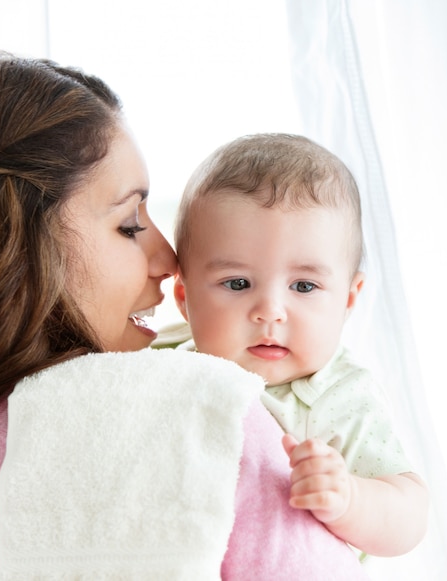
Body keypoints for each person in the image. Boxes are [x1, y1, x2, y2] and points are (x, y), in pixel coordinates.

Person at [0, 50, 368, 579]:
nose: (169, 261)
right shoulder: (204, 414)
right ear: (10, 245)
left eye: (305, 284)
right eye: (128, 224)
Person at [166, 133, 429, 557]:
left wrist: (350, 500)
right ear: (184, 298)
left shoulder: (340, 396)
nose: (270, 311)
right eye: (237, 283)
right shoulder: (167, 356)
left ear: (347, 299)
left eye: (303, 285)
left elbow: (410, 513)